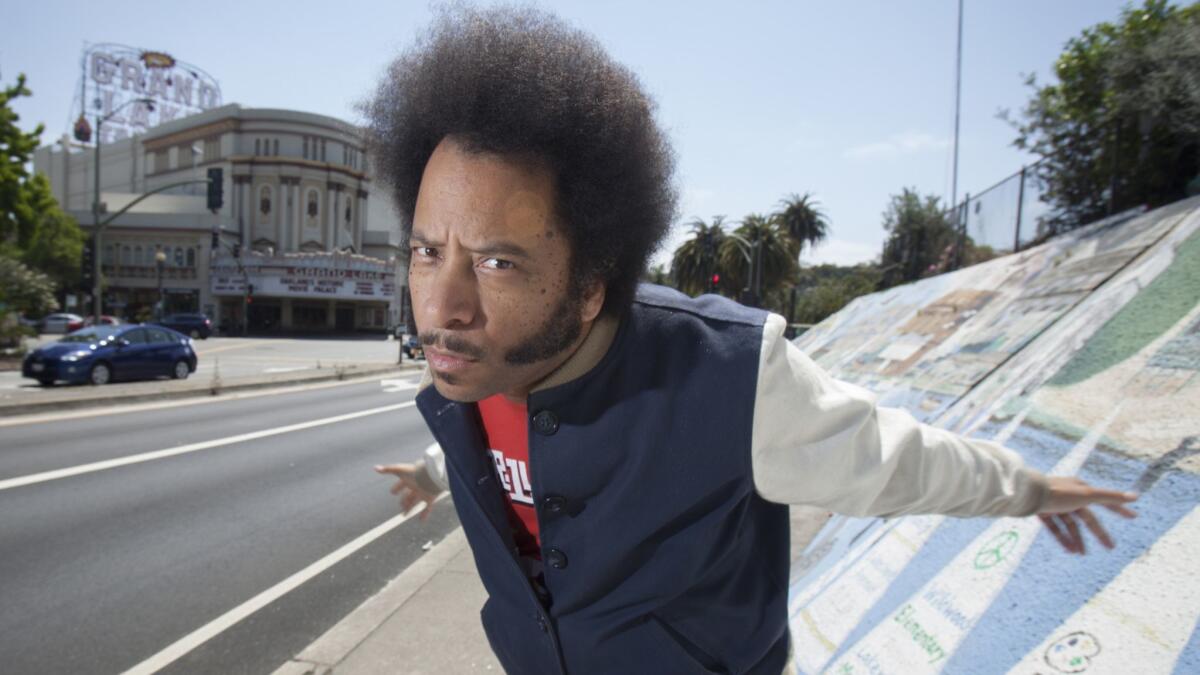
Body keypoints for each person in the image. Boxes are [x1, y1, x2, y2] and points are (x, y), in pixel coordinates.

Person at [370, 7, 1138, 674]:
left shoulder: (732, 379)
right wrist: (435, 473)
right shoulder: (475, 370)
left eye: (499, 262)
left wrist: (1028, 487)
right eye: (428, 250)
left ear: (592, 283)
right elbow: (507, 451)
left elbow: (898, 461)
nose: (443, 305)